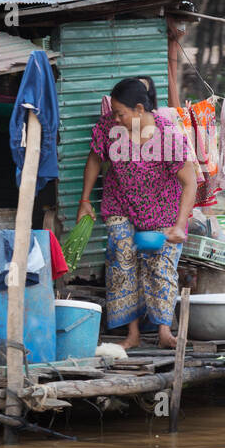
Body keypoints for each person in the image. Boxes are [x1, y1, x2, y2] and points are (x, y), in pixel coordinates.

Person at [77, 76, 197, 349]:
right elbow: (95, 158)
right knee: (122, 263)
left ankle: (164, 332)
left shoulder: (168, 135)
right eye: (114, 113)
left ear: (140, 110)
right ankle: (132, 335)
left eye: (120, 113)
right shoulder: (111, 128)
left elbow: (189, 182)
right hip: (120, 205)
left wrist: (179, 226)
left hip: (162, 212)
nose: (115, 119)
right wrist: (85, 200)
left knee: (161, 268)